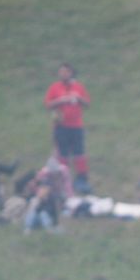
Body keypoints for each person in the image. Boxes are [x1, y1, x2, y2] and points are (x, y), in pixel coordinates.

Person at [43, 63, 90, 193]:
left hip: (77, 126)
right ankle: (64, 178)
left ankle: (82, 179)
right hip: (60, 126)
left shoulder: (78, 87)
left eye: (66, 72)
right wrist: (61, 100)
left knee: (79, 153)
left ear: (71, 73)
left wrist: (79, 99)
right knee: (62, 154)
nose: (63, 74)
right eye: (61, 72)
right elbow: (48, 105)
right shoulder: (54, 87)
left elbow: (87, 103)